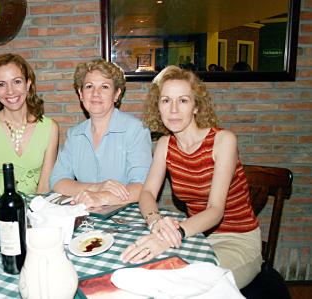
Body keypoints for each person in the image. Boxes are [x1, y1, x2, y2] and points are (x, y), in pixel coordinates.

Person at [121, 66, 262, 289]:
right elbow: (147, 193)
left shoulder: (223, 141)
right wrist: (155, 221)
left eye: (183, 101)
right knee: (151, 270)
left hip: (238, 240)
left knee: (187, 283)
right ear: (158, 107)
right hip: (196, 237)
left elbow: (215, 210)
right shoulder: (165, 145)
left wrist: (170, 235)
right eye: (166, 101)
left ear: (196, 106)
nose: (174, 109)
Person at [49, 59, 152, 208]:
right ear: (81, 94)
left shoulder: (136, 130)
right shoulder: (74, 135)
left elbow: (143, 187)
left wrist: (102, 198)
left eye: (104, 87)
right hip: (85, 217)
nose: (95, 93)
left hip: (126, 218)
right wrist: (97, 187)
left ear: (117, 94)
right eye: (89, 86)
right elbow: (57, 182)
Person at [0, 53, 59, 201]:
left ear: (28, 84)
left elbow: (44, 188)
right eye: (1, 84)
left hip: (32, 214)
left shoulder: (50, 128)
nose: (10, 91)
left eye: (17, 82)